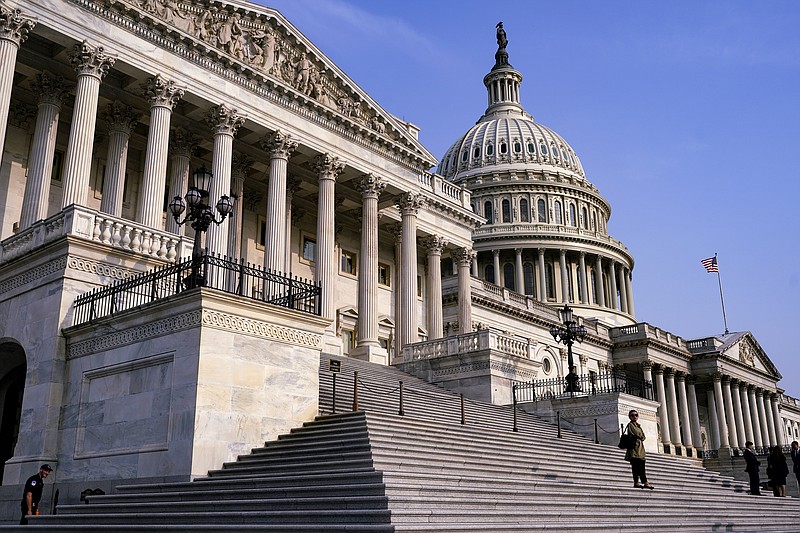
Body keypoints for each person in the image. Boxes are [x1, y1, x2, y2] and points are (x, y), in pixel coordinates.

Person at [624, 410, 653, 489]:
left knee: (640, 466)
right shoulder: (631, 425)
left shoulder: (638, 425)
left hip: (640, 449)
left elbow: (643, 436)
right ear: (630, 417)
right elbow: (638, 434)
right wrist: (640, 435)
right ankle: (644, 482)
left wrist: (640, 435)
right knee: (637, 466)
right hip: (634, 449)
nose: (635, 417)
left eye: (636, 415)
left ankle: (637, 482)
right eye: (632, 415)